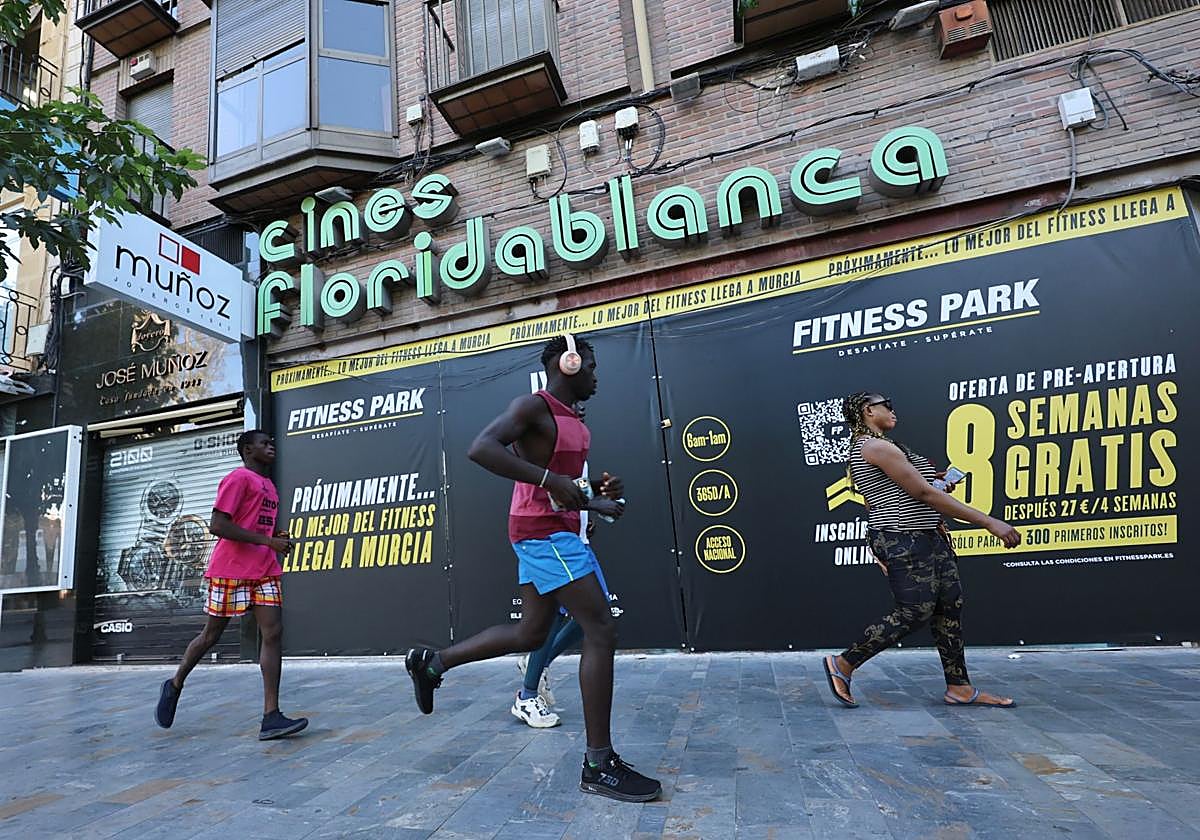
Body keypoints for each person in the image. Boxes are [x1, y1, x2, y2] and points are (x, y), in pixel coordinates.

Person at [405, 334, 661, 803]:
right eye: (590, 365)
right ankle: (599, 765)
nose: (595, 375)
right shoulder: (532, 407)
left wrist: (595, 495)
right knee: (601, 630)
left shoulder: (572, 419)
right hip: (544, 532)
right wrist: (552, 480)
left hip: (552, 527)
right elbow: (481, 448)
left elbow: (563, 482)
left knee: (531, 634)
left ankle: (433, 663)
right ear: (568, 363)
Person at [823, 392, 1022, 710]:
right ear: (869, 410)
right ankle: (844, 663)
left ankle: (959, 687)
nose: (892, 409)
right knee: (914, 610)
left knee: (949, 606)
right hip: (903, 537)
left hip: (927, 535)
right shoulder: (875, 446)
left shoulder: (887, 446)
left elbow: (906, 488)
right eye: (887, 404)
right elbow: (922, 493)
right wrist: (988, 522)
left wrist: (937, 479)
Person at [154, 430, 308, 741]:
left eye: (271, 442)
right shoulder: (238, 478)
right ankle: (174, 684)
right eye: (264, 443)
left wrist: (276, 539)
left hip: (264, 569)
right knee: (211, 635)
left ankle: (271, 716)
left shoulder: (269, 486)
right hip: (231, 570)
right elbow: (217, 525)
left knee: (273, 633)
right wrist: (267, 541)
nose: (271, 446)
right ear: (248, 450)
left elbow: (256, 524)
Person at [511, 399, 623, 729]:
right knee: (591, 619)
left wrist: (587, 513)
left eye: (579, 404)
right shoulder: (541, 444)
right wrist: (595, 505)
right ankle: (529, 689)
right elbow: (550, 491)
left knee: (557, 623)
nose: (578, 408)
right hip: (546, 540)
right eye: (567, 404)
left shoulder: (576, 443)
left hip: (566, 539)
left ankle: (533, 671)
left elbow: (572, 492)